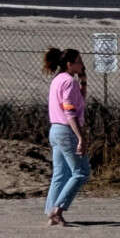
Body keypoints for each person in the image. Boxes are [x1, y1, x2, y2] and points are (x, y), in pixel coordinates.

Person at [41, 45, 90, 224]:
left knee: (60, 174)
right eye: (79, 62)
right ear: (70, 64)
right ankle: (58, 209)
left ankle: (50, 211)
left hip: (55, 129)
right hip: (66, 130)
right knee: (81, 172)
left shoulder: (58, 80)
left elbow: (80, 102)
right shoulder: (69, 81)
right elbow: (70, 110)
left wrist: (84, 81)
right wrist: (81, 137)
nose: (82, 65)